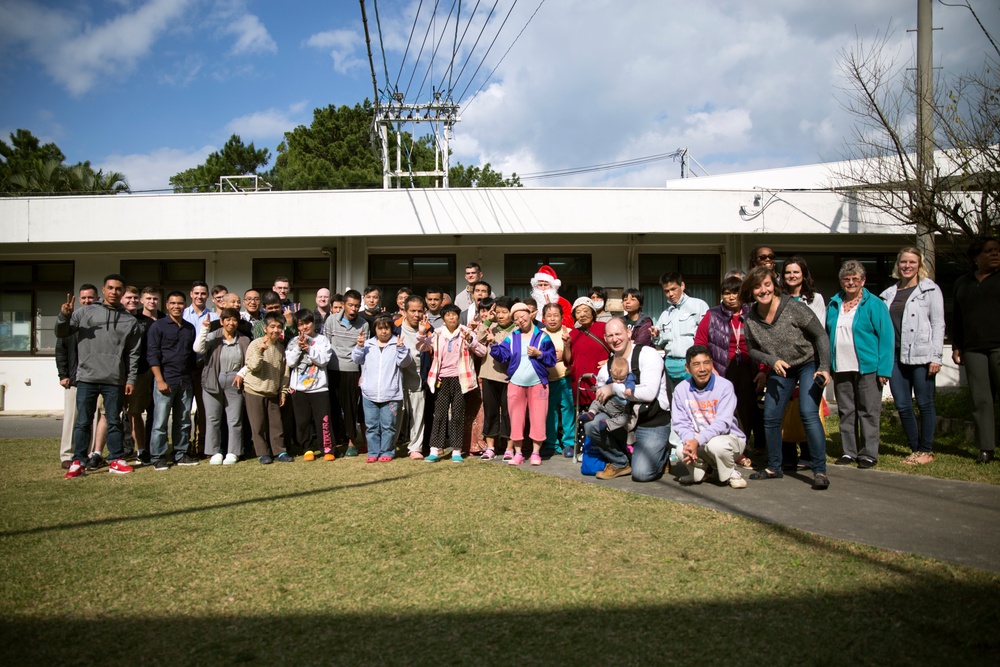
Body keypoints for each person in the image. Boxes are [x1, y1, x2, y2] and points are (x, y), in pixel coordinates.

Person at [741, 267, 831, 489]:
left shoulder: (794, 307)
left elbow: (820, 335)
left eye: (767, 284)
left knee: (808, 413)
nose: (763, 290)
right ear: (751, 291)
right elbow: (752, 349)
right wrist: (771, 361)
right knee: (771, 417)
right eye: (757, 286)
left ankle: (820, 471)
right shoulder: (751, 318)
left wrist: (825, 367)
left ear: (774, 285)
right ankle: (774, 467)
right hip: (781, 367)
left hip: (808, 363)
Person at [56, 275, 140, 479]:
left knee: (114, 421)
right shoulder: (84, 313)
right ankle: (78, 462)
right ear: (103, 290)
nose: (114, 292)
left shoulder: (130, 320)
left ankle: (116, 460)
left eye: (118, 289)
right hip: (86, 378)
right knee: (83, 421)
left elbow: (133, 353)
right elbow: (61, 333)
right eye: (110, 288)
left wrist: (130, 379)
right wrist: (63, 316)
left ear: (122, 292)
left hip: (114, 379)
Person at [879, 247, 945, 465]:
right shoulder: (889, 294)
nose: (907, 266)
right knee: (902, 404)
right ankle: (915, 449)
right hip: (896, 357)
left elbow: (938, 323)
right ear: (898, 265)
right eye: (903, 262)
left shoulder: (929, 290)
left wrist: (936, 356)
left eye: (912, 262)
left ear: (920, 265)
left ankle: (926, 449)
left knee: (925, 403)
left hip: (922, 355)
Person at [827, 260, 893, 469]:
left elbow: (887, 338)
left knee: (868, 411)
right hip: (841, 367)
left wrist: (884, 369)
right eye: (847, 279)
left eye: (855, 279)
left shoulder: (875, 304)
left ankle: (869, 453)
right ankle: (849, 452)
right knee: (846, 410)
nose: (851, 283)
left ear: (863, 280)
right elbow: (828, 334)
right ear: (841, 281)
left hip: (868, 367)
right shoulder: (834, 303)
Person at [588, 318, 671, 482]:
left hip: (652, 421)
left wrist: (613, 388)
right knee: (592, 424)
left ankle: (662, 454)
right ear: (605, 339)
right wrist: (600, 392)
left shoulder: (648, 354)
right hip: (624, 421)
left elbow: (648, 393)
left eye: (618, 333)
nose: (615, 339)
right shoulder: (608, 365)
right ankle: (619, 462)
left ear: (628, 333)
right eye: (610, 335)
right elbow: (600, 391)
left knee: (641, 473)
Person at [693, 276, 763, 468]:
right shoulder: (712, 314)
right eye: (727, 293)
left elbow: (766, 343)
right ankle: (727, 446)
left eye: (735, 292)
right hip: (721, 368)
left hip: (750, 367)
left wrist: (764, 370)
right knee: (725, 408)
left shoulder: (754, 312)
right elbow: (700, 342)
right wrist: (709, 368)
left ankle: (743, 444)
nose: (731, 297)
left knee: (747, 408)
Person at [417, 304, 488, 462]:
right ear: (443, 318)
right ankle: (435, 449)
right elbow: (421, 347)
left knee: (457, 415)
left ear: (458, 316)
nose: (451, 318)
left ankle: (457, 450)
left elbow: (482, 351)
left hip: (461, 380)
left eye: (454, 315)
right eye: (448, 315)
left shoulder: (466, 332)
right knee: (440, 415)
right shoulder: (437, 333)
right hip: (441, 379)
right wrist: (421, 333)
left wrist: (471, 341)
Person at [951, 237, 1000, 465]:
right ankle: (986, 448)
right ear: (976, 257)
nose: (995, 254)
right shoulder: (963, 282)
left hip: (999, 346)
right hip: (973, 349)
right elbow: (957, 318)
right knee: (981, 400)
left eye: (997, 251)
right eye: (989, 251)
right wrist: (956, 345)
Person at [672, 345, 749, 489]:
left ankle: (730, 472)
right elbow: (680, 423)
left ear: (712, 364)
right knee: (680, 450)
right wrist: (690, 442)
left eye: (706, 363)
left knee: (716, 445)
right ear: (687, 368)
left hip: (729, 439)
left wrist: (697, 441)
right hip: (698, 441)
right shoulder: (681, 389)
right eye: (696, 364)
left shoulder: (725, 386)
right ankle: (706, 472)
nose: (702, 369)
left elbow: (723, 424)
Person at [489, 303, 556, 465]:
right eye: (516, 318)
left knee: (538, 418)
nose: (520, 320)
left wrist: (539, 353)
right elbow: (503, 357)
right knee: (516, 419)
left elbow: (552, 359)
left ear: (530, 315)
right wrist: (493, 344)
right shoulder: (511, 337)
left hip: (538, 384)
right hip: (515, 384)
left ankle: (535, 453)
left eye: (523, 316)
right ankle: (518, 453)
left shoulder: (543, 336)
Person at [778, 256, 826, 471]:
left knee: (808, 408)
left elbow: (819, 330)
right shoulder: (778, 298)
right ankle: (788, 455)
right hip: (784, 362)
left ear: (804, 274)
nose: (792, 276)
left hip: (809, 360)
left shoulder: (815, 299)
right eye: (788, 272)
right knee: (785, 408)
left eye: (796, 272)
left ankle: (809, 455)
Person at [147, 290, 199, 471]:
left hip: (184, 381)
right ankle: (158, 456)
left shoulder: (189, 328)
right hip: (166, 380)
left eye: (180, 303)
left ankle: (180, 453)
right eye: (173, 303)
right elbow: (152, 355)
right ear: (167, 306)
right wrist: (159, 380)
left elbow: (191, 356)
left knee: (184, 420)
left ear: (184, 305)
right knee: (160, 422)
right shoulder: (158, 326)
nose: (177, 306)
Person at [352, 314, 413, 462]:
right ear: (375, 330)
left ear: (391, 329)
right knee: (371, 425)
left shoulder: (397, 344)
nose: (384, 332)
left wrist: (401, 349)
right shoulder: (368, 345)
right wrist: (359, 346)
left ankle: (387, 451)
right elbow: (355, 359)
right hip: (369, 393)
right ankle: (373, 452)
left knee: (388, 426)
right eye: (380, 328)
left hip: (391, 394)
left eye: (386, 328)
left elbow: (405, 363)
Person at [194, 306, 250, 465]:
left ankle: (233, 451)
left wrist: (242, 373)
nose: (231, 323)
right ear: (222, 321)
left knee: (235, 419)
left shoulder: (244, 340)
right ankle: (215, 451)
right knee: (213, 418)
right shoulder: (213, 337)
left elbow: (250, 361)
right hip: (212, 380)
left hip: (234, 381)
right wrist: (204, 330)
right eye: (227, 320)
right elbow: (198, 348)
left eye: (234, 320)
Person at [54, 283, 100, 471]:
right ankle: (67, 454)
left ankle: (89, 454)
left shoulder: (101, 321)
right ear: (80, 300)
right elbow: (61, 350)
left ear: (97, 299)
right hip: (75, 378)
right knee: (72, 418)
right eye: (84, 298)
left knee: (94, 418)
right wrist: (63, 374)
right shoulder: (71, 321)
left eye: (91, 297)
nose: (87, 301)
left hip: (97, 377)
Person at [322, 289, 369, 456]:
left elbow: (365, 352)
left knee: (350, 408)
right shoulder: (331, 321)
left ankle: (351, 441)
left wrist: (363, 374)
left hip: (352, 369)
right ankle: (333, 443)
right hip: (333, 368)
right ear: (343, 305)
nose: (354, 309)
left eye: (357, 306)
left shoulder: (363, 324)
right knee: (333, 407)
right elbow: (325, 343)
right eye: (350, 305)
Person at [285, 309, 334, 461]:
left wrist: (309, 348)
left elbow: (324, 360)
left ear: (313, 322)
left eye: (307, 323)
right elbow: (291, 362)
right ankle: (307, 449)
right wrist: (300, 347)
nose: (305, 327)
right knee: (302, 421)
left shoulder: (323, 340)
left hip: (319, 387)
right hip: (299, 389)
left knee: (323, 420)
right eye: (301, 324)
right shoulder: (293, 341)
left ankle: (327, 449)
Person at [243, 312, 292, 464]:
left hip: (273, 391)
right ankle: (262, 453)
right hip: (255, 390)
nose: (275, 330)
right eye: (272, 327)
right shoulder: (255, 344)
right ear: (265, 328)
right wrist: (260, 351)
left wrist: (283, 391)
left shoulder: (280, 347)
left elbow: (284, 371)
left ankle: (280, 451)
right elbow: (252, 367)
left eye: (279, 327)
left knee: (276, 424)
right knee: (258, 425)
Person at [650, 272, 709, 388]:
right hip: (670, 364)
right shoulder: (665, 314)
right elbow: (660, 343)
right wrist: (656, 336)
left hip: (692, 363)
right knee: (674, 402)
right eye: (666, 291)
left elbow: (707, 335)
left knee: (694, 400)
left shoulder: (699, 305)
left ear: (682, 286)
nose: (670, 294)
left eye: (673, 289)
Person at [477, 296, 518, 461]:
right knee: (490, 412)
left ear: (511, 313)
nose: (500, 316)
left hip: (509, 377)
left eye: (504, 312)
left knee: (509, 413)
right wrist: (488, 321)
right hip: (489, 375)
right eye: (498, 312)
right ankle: (491, 447)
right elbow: (477, 339)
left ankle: (509, 448)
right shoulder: (490, 327)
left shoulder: (517, 331)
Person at [396, 295, 433, 459]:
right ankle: (389, 446)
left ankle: (415, 447)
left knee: (418, 413)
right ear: (404, 311)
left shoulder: (428, 330)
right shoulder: (394, 329)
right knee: (396, 413)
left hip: (418, 376)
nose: (416, 315)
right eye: (412, 311)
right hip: (396, 378)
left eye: (420, 311)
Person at [121, 286, 154, 463]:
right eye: (128, 297)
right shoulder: (115, 319)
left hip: (141, 374)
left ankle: (141, 450)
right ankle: (103, 453)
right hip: (115, 373)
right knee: (108, 415)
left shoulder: (147, 322)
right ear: (121, 299)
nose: (132, 300)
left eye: (135, 297)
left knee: (135, 413)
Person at [183, 280, 215, 457]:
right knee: (184, 408)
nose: (200, 296)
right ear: (191, 294)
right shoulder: (183, 314)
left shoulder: (214, 317)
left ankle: (201, 445)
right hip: (186, 367)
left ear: (207, 295)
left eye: (203, 293)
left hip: (205, 367)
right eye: (197, 293)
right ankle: (184, 446)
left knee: (203, 409)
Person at [542, 303, 576, 457]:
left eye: (556, 315)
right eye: (549, 316)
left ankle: (569, 443)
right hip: (546, 380)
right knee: (549, 413)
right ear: (543, 319)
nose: (553, 319)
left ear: (562, 318)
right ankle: (552, 443)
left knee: (568, 410)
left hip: (566, 378)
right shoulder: (539, 333)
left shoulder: (569, 332)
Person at [568, 297, 610, 411]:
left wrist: (611, 361)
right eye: (578, 312)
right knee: (581, 417)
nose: (582, 314)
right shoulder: (572, 334)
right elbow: (568, 360)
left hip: (600, 380)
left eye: (586, 311)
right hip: (579, 382)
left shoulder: (604, 327)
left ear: (593, 312)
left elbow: (618, 348)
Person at [578, 356, 636, 434]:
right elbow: (604, 386)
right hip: (606, 405)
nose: (618, 381)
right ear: (611, 372)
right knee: (596, 401)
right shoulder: (610, 378)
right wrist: (596, 388)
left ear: (627, 374)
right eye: (615, 378)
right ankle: (591, 413)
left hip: (619, 410)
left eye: (622, 379)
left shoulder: (629, 378)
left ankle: (608, 423)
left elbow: (631, 384)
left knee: (623, 420)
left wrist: (629, 389)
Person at [530, 264, 575, 329]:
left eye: (546, 285)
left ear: (552, 286)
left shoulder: (564, 303)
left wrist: (549, 309)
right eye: (540, 285)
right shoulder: (531, 303)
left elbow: (570, 324)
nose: (543, 288)